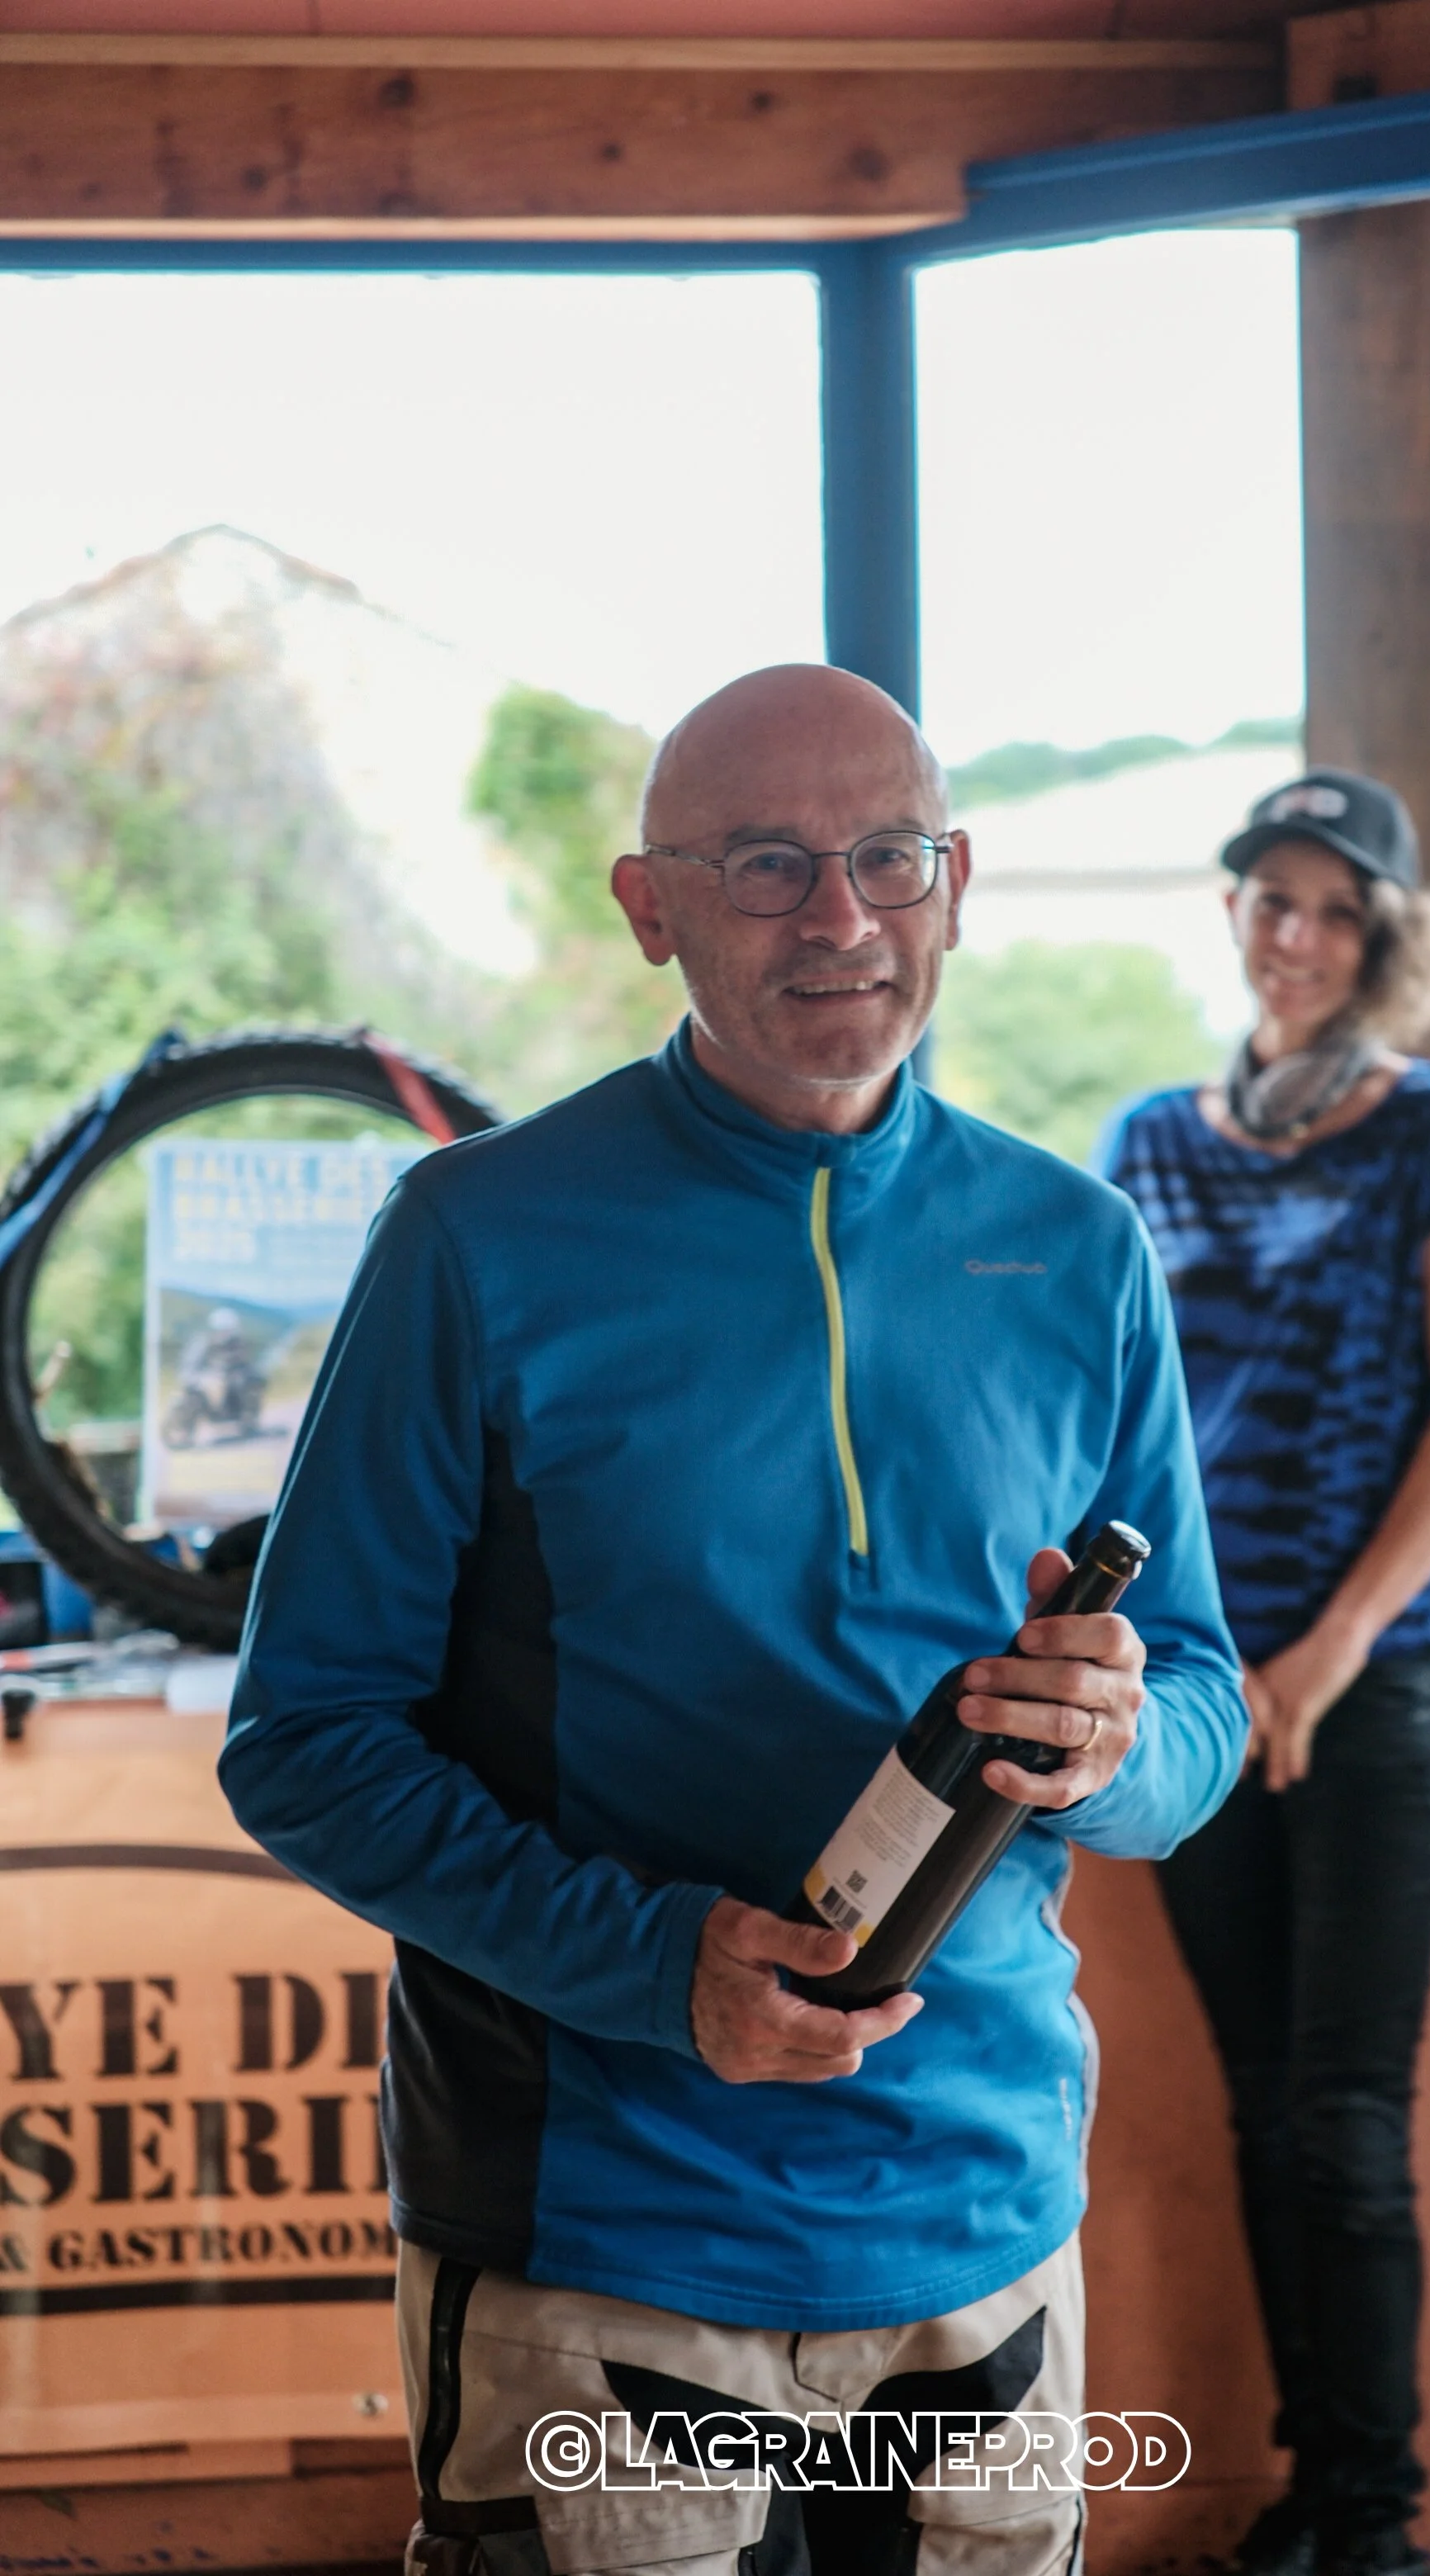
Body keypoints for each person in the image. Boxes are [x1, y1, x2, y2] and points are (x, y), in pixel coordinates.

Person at [220, 664, 1248, 2576]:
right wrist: (656, 1967)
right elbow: (305, 1741)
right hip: (601, 2228)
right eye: (766, 863)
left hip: (980, 2218)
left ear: (955, 884)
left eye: (888, 858)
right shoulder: (474, 1235)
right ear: (649, 908)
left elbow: (1197, 1708)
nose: (839, 916)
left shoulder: (1076, 1249)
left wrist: (1115, 1743)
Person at [1099, 769, 1430, 2576]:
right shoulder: (1147, 1143)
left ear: (1381, 940)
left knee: (1346, 2121)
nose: (1296, 934)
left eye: (1335, 909)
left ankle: (1376, 2517)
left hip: (1374, 1687)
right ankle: (1310, 2493)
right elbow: (1117, 1419)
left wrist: (1330, 1653)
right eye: (1272, 899)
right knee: (1261, 2108)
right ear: (1233, 916)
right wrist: (1215, 1674)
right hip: (1203, 1698)